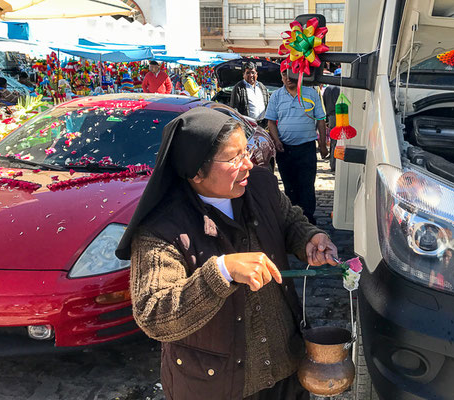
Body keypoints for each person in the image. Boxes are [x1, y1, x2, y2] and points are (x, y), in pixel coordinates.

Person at [115, 107, 339, 400]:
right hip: (215, 386)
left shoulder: (260, 187)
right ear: (196, 170)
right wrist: (220, 272)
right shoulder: (161, 228)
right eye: (234, 158)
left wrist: (310, 238)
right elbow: (154, 314)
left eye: (247, 151)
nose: (248, 163)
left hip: (286, 371)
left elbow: (289, 220)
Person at [265, 71, 328, 225]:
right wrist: (277, 140)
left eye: (291, 75)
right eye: (284, 75)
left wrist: (323, 144)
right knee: (289, 186)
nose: (288, 79)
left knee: (306, 185)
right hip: (284, 150)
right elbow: (271, 122)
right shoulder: (276, 96)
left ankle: (308, 221)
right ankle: (293, 221)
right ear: (281, 77)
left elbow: (320, 119)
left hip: (306, 148)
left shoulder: (311, 93)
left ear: (299, 76)